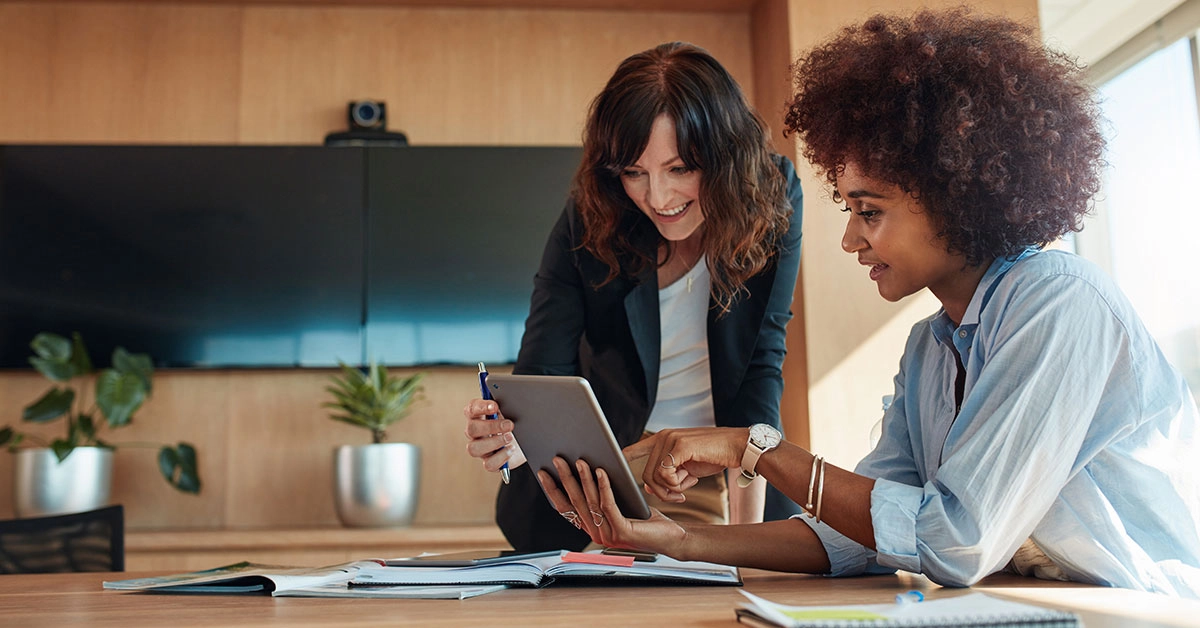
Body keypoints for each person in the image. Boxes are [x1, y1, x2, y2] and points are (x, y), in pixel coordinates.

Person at [537, 8, 1200, 598]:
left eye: (870, 211)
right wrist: (675, 541)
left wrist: (755, 447)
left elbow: (952, 540)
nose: (851, 237)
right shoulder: (930, 351)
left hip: (1137, 607)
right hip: (1022, 605)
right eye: (850, 209)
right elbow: (854, 538)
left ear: (955, 193)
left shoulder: (1060, 303)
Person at [462, 41, 805, 552]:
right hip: (604, 482)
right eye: (634, 172)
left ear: (726, 157)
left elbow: (761, 364)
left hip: (725, 474)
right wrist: (512, 436)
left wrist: (748, 541)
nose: (658, 198)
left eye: (681, 168)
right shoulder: (592, 213)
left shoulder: (770, 195)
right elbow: (543, 371)